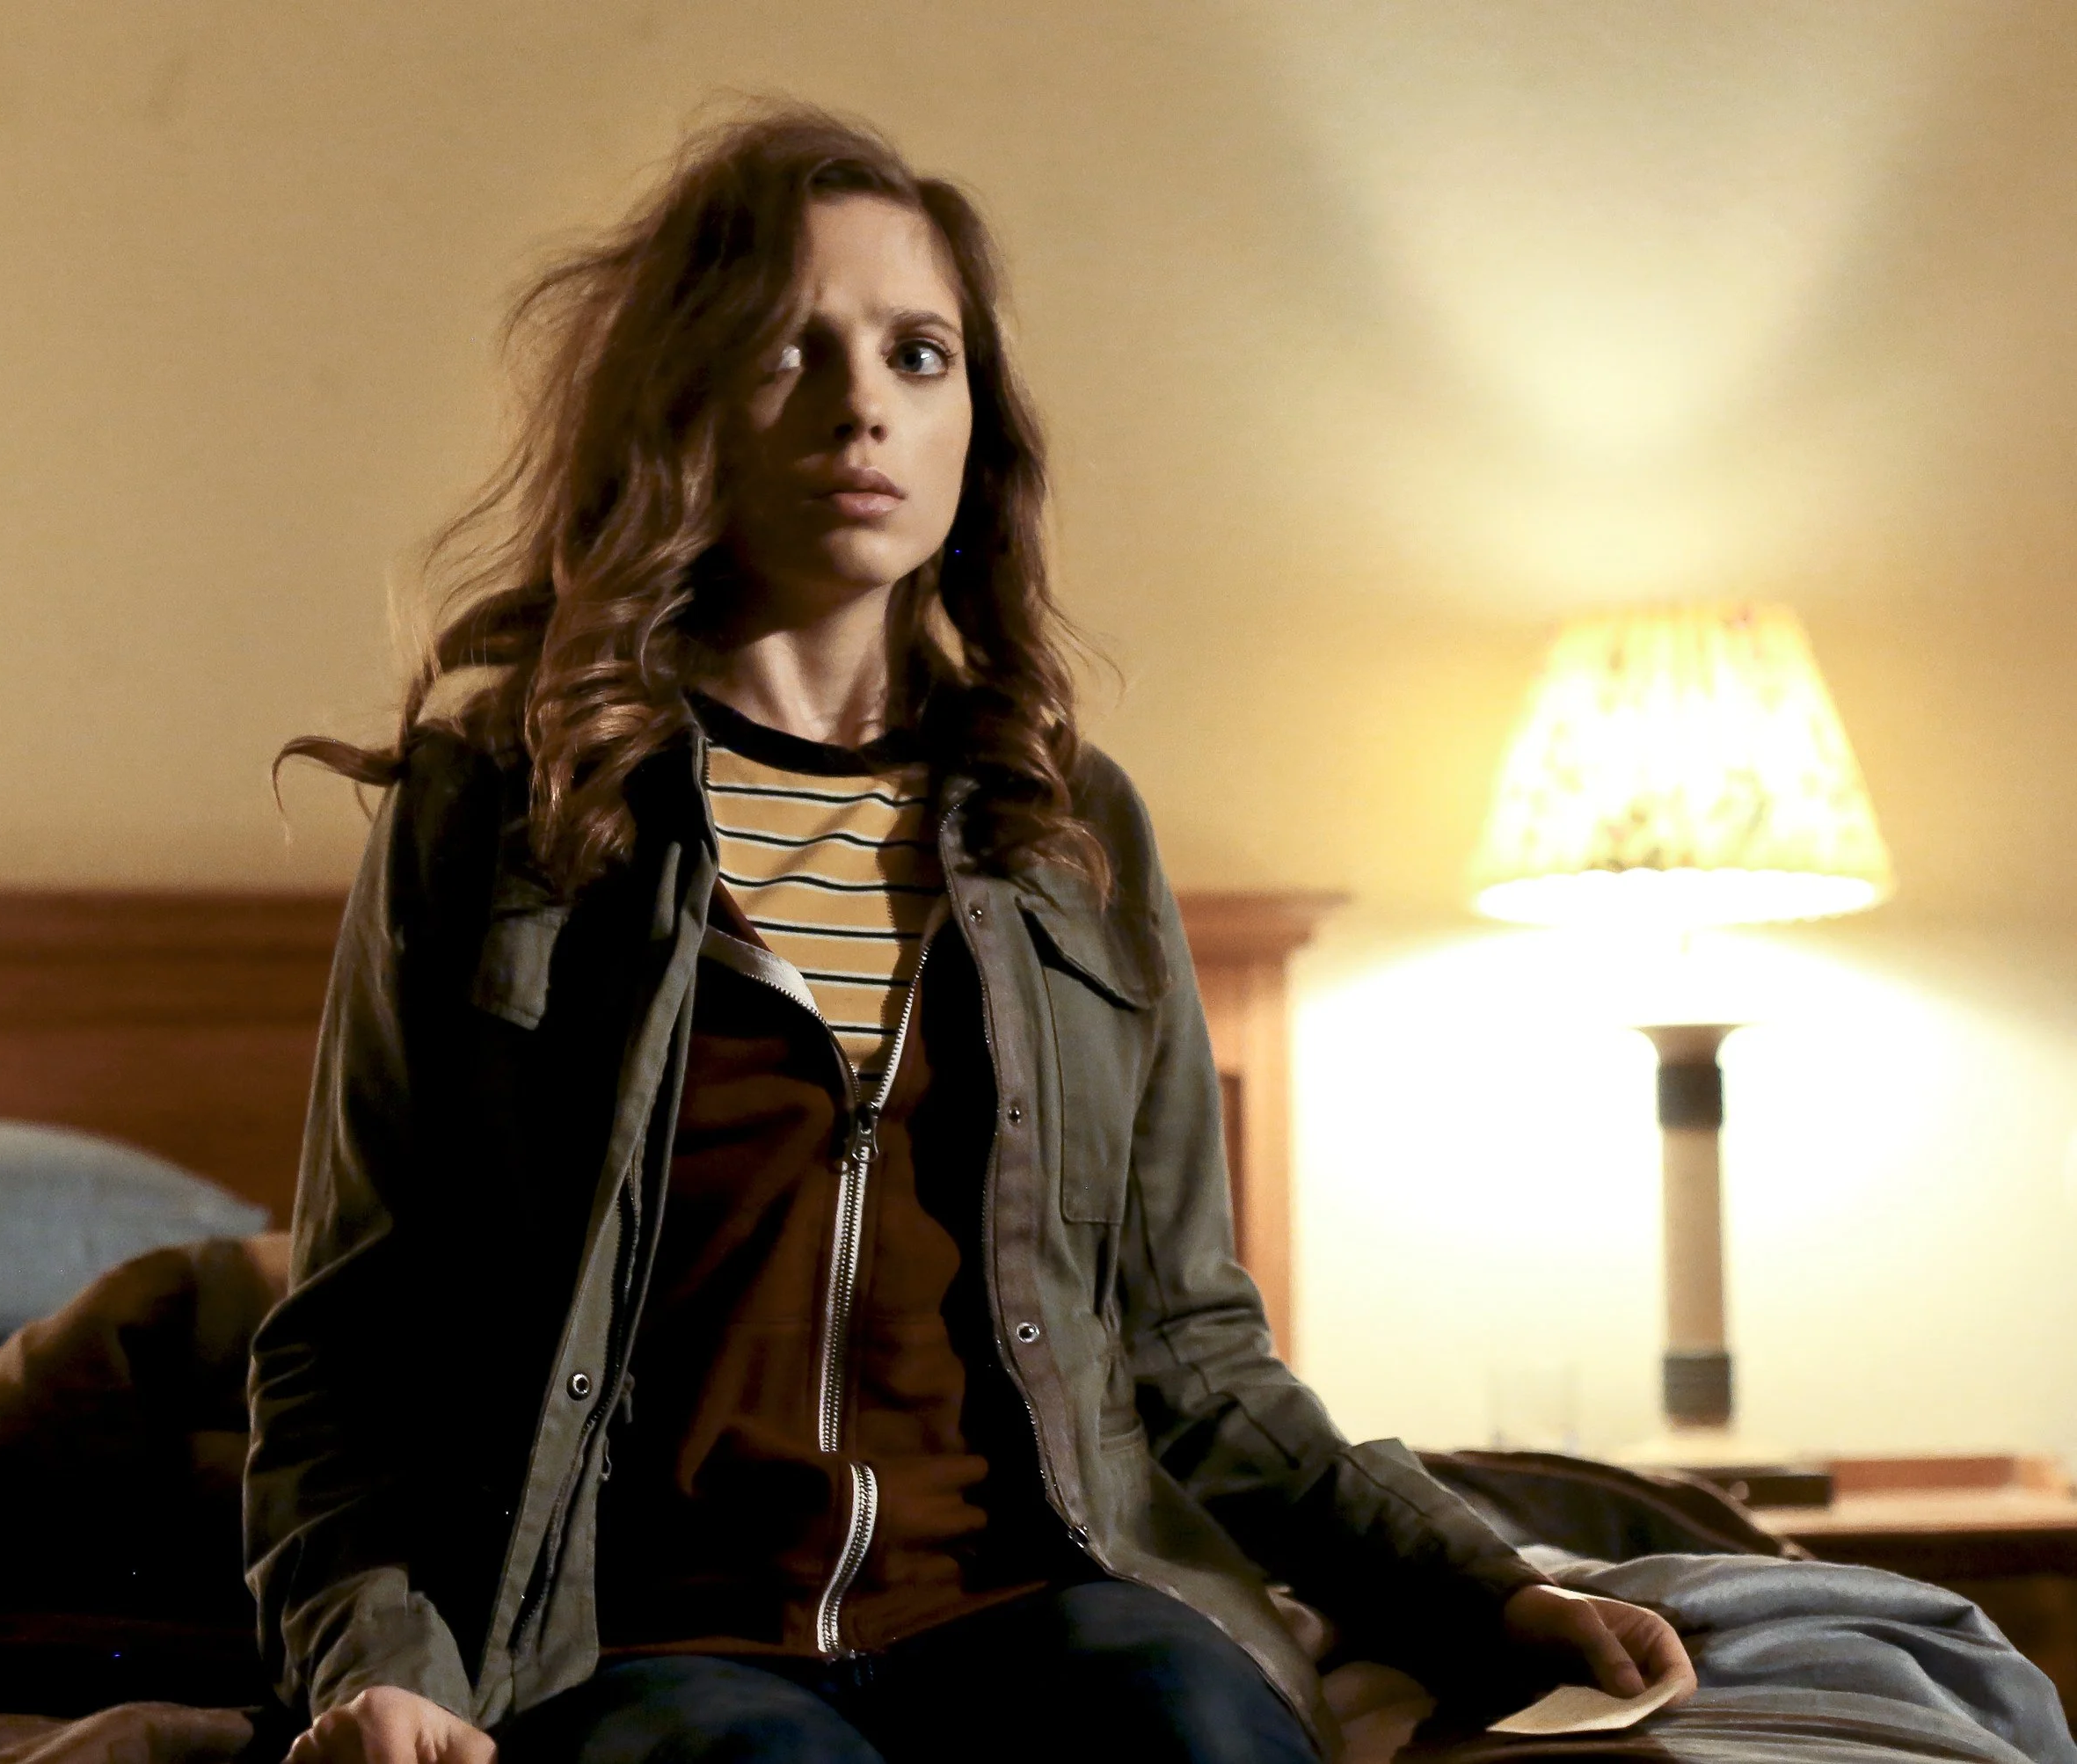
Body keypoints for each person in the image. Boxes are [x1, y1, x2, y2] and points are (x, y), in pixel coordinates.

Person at [245, 104, 1694, 1764]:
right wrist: (380, 1663)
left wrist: (1479, 1590)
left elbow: (1191, 1351)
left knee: (1197, 1732)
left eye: (917, 354)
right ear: (685, 402)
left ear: (971, 431)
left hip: (1039, 1602)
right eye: (790, 349)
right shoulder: (502, 807)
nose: (862, 401)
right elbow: (347, 1353)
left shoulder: (1066, 827)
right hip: (648, 1639)